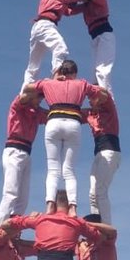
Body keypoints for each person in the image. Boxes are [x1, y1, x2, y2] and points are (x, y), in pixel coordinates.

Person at [33, 61, 107, 213]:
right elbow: (103, 93)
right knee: (69, 170)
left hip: (53, 122)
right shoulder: (82, 84)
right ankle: (72, 207)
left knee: (53, 168)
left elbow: (28, 89)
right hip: (73, 124)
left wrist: (53, 80)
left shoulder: (48, 83)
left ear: (61, 72)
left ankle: (49, 205)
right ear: (75, 73)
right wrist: (94, 105)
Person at [23, 0, 92, 88]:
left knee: (34, 63)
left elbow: (68, 11)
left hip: (38, 26)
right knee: (60, 49)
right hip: (46, 24)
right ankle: (56, 76)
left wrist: (83, 7)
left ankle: (26, 89)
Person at [0, 89, 47, 226]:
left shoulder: (37, 113)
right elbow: (23, 97)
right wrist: (39, 87)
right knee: (10, 193)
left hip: (26, 153)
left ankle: (13, 229)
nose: (39, 103)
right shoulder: (18, 107)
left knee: (23, 199)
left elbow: (52, 115)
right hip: (14, 151)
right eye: (38, 99)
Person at [85, 93, 120, 223]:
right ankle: (96, 220)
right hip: (99, 153)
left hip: (110, 151)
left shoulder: (109, 109)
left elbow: (106, 95)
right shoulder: (91, 113)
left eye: (92, 98)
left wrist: (93, 90)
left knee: (100, 190)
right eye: (89, 99)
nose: (89, 101)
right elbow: (75, 113)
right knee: (92, 193)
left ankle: (106, 224)